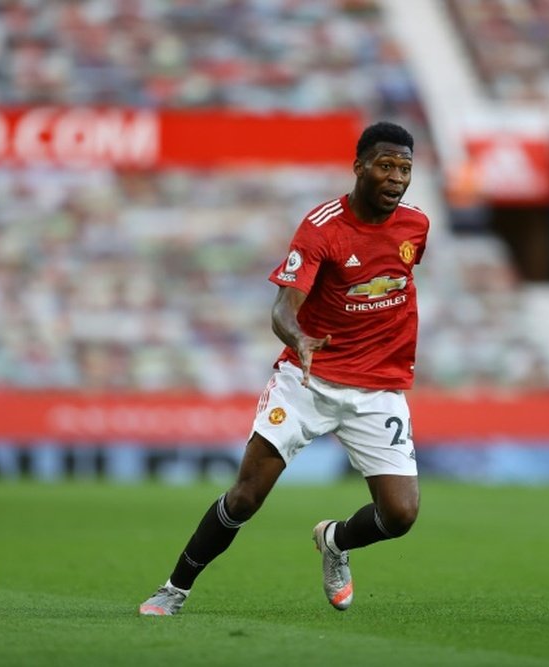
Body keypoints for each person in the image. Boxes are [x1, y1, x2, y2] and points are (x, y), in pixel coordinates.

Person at [139, 121, 430, 616]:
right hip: (308, 381)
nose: (396, 178)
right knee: (247, 496)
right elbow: (282, 308)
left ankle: (335, 541)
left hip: (378, 389)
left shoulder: (416, 226)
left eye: (404, 168)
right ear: (359, 166)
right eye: (385, 165)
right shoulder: (322, 227)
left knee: (401, 514)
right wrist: (299, 337)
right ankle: (174, 588)